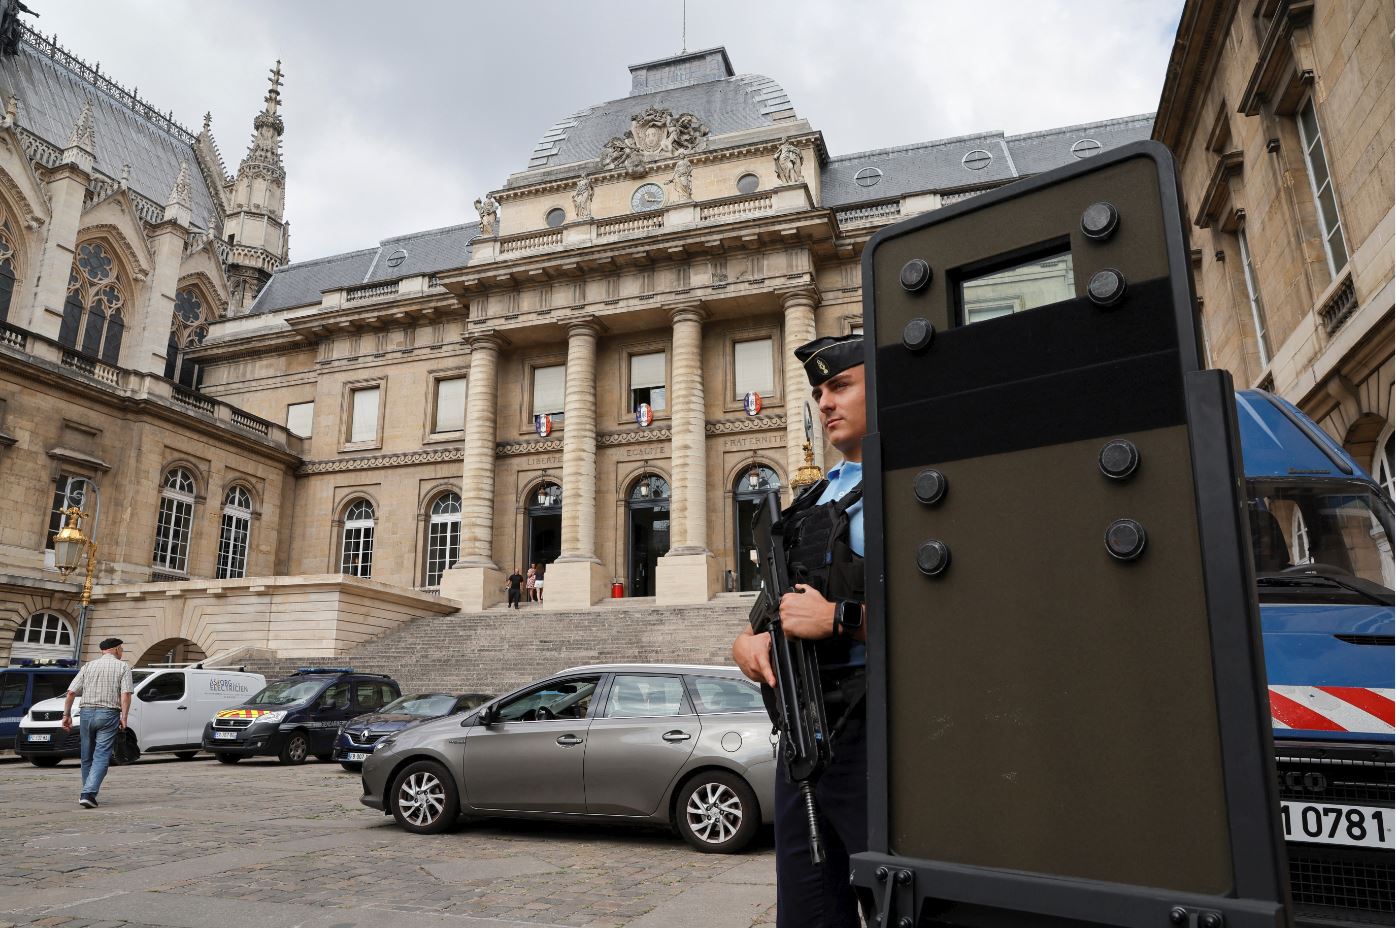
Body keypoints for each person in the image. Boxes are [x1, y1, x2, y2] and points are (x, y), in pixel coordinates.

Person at [732, 334, 868, 928]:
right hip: (802, 728)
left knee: (895, 895)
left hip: (875, 727)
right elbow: (775, 604)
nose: (825, 403)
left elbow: (962, 616)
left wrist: (841, 619)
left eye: (840, 386)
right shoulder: (817, 492)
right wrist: (747, 640)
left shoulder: (923, 481)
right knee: (808, 903)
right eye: (818, 392)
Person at [62, 637, 135, 809]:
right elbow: (125, 695)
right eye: (121, 648)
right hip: (108, 714)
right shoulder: (123, 666)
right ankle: (88, 793)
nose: (122, 651)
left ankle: (87, 791)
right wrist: (124, 717)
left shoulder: (88, 666)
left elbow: (71, 692)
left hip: (86, 713)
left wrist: (66, 715)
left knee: (86, 755)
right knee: (101, 755)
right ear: (116, 649)